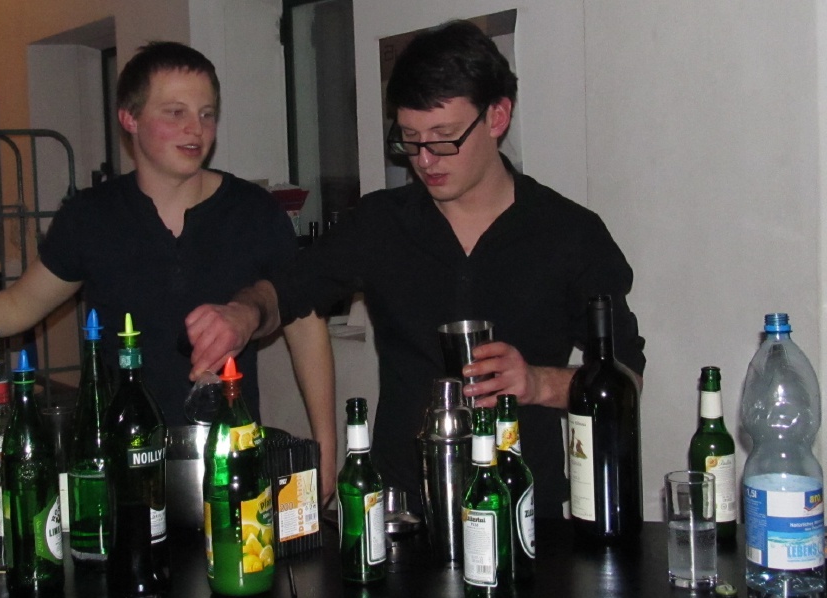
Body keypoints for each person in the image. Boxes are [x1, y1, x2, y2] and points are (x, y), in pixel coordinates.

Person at [186, 20, 645, 519]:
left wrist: (538, 383)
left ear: (497, 116)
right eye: (409, 140)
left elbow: (627, 377)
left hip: (525, 510)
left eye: (444, 139)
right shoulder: (382, 223)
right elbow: (288, 290)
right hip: (402, 511)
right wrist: (243, 314)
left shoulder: (569, 233)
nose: (425, 160)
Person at [0, 42, 337, 500]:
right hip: (122, 468)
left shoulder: (254, 212)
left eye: (206, 114)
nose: (196, 129)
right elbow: (16, 308)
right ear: (129, 118)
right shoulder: (91, 217)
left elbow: (306, 326)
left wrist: (325, 451)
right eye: (175, 112)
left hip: (231, 462)